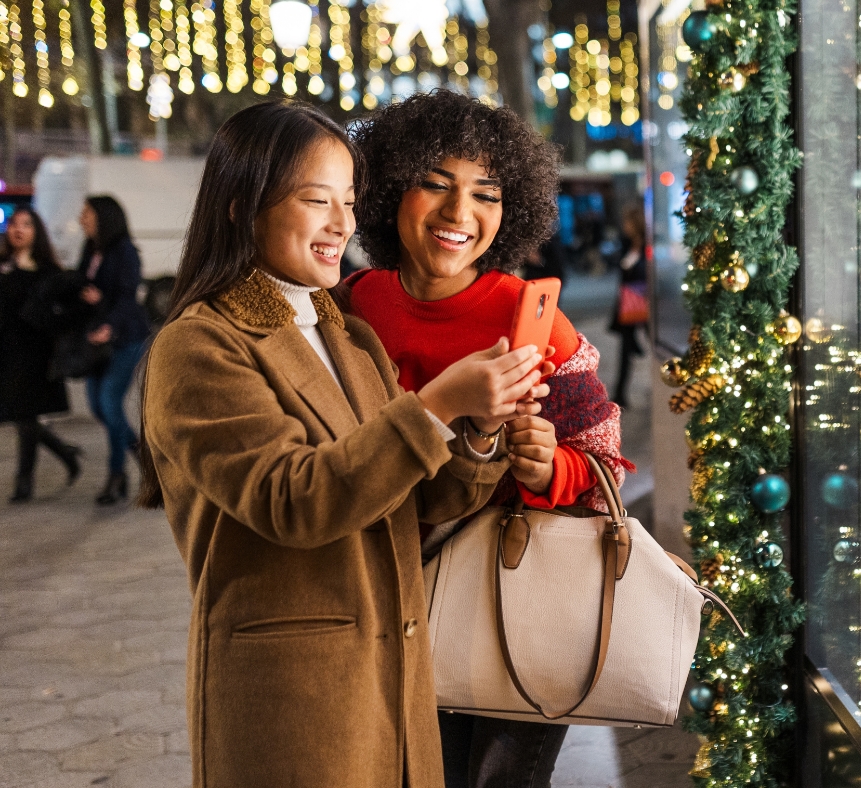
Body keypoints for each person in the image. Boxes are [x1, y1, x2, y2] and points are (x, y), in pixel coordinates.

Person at [136, 100, 552, 788]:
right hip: (296, 693)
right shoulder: (200, 344)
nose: (343, 226)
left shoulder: (344, 332)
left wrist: (481, 428)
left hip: (393, 671)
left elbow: (417, 492)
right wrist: (439, 401)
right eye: (315, 200)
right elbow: (295, 501)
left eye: (350, 202)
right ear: (242, 205)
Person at [340, 88, 632, 788]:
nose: (458, 214)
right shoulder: (353, 304)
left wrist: (548, 470)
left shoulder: (530, 317)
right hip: (388, 600)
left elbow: (607, 461)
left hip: (518, 604)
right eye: (434, 185)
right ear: (387, 192)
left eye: (486, 194)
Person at [0, 207, 81, 502]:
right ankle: (66, 453)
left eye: (26, 224)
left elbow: (68, 313)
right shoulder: (3, 264)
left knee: (24, 414)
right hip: (6, 352)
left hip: (34, 353)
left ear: (37, 232)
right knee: (22, 414)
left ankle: (24, 482)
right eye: (14, 224)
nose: (18, 229)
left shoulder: (49, 272)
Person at [77, 195, 151, 504]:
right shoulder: (90, 249)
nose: (82, 218)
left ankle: (116, 475)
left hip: (125, 337)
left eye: (87, 213)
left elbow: (126, 296)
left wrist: (107, 319)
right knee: (96, 405)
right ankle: (145, 458)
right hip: (96, 339)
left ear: (103, 217)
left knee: (109, 402)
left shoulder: (125, 252)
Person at [608, 205, 648, 408]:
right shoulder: (626, 244)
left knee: (652, 341)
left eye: (627, 223)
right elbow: (622, 269)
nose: (624, 226)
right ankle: (620, 394)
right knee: (625, 348)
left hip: (648, 302)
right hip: (629, 302)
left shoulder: (649, 244)